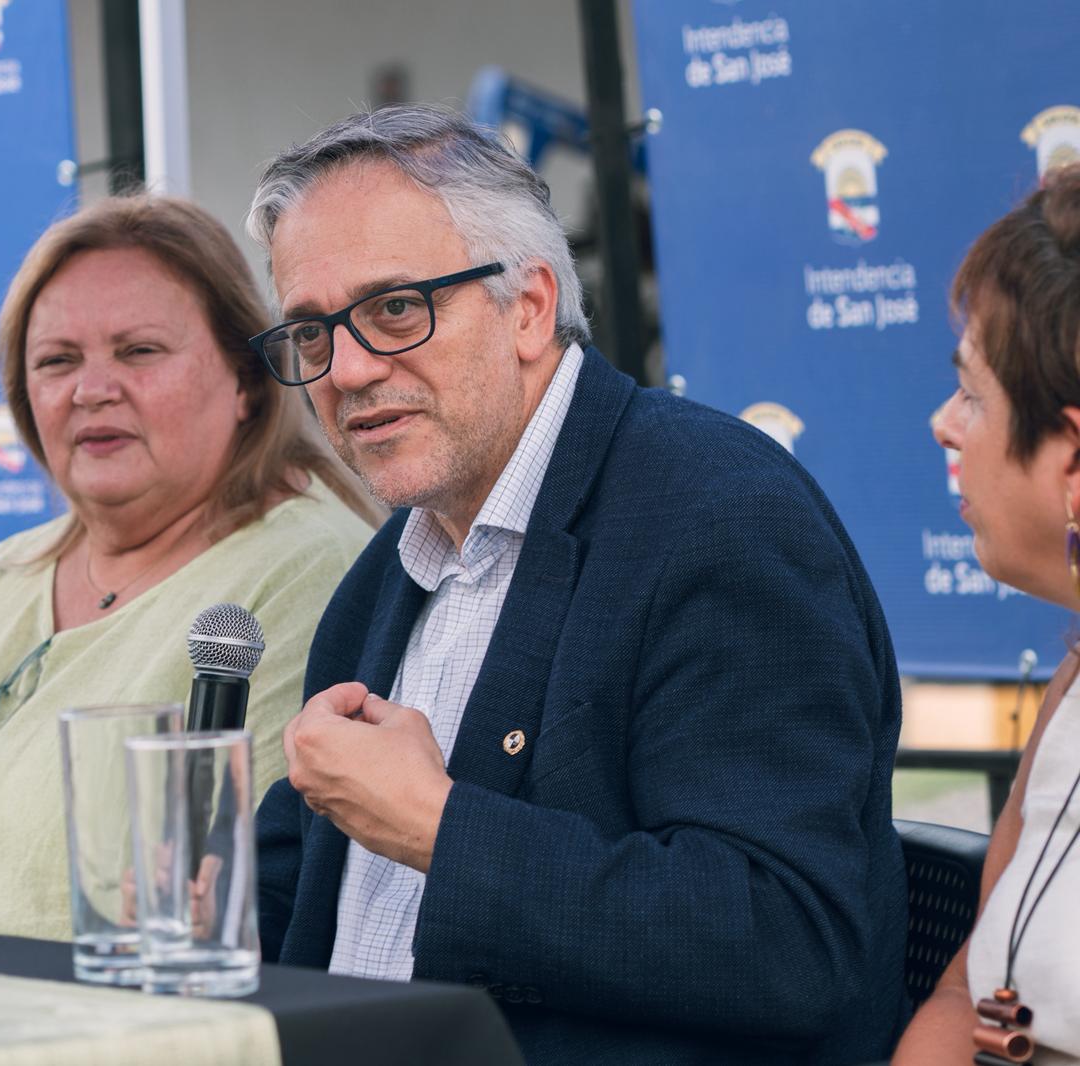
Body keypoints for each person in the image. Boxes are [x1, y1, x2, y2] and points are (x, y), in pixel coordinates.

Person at [247, 104, 908, 1065]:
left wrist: (440, 827)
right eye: (311, 333)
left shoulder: (719, 516)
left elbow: (787, 938)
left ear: (528, 307)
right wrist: (195, 894)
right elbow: (308, 894)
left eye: (394, 309)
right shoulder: (390, 568)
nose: (345, 370)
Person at [0, 195, 378, 938]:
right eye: (57, 361)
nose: (91, 390)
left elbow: (249, 899)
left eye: (139, 351)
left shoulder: (312, 572)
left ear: (246, 379)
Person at [893, 167, 1080, 1063]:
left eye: (973, 394)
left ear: (1072, 462)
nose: (944, 424)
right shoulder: (1072, 681)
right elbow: (969, 993)